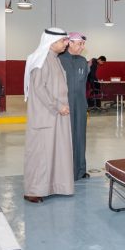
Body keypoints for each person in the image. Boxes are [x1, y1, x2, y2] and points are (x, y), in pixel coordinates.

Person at [22, 27, 74, 203]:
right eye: (63, 41)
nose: (66, 44)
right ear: (51, 42)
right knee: (40, 154)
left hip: (56, 114)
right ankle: (33, 190)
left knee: (56, 152)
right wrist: (58, 106)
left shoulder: (54, 59)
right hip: (45, 115)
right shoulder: (42, 60)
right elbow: (39, 89)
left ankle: (53, 186)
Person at [59, 32, 90, 181]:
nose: (82, 47)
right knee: (67, 137)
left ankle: (80, 170)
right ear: (70, 43)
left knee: (80, 136)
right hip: (65, 105)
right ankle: (66, 170)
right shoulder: (59, 60)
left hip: (80, 104)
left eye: (83, 44)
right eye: (80, 44)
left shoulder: (83, 61)